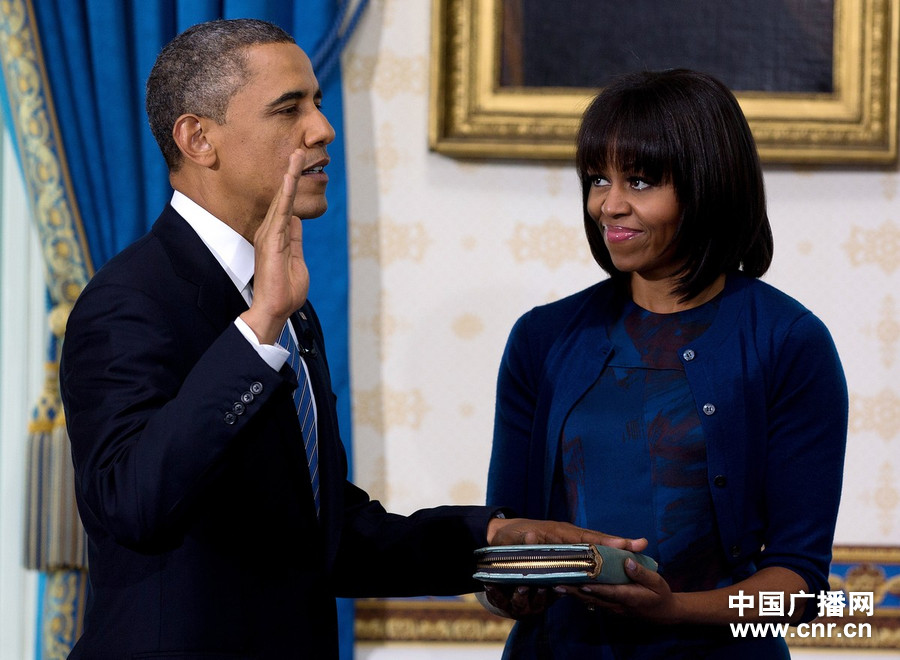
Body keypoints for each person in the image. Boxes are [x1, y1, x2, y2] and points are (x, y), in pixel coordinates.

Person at [58, 18, 633, 659]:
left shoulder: (284, 305)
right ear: (198, 139)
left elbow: (325, 538)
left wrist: (492, 539)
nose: (322, 129)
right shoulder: (131, 300)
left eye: (318, 102)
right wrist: (259, 329)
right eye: (289, 109)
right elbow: (134, 505)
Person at [484, 69, 848, 658]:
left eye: (640, 180)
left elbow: (800, 589)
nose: (609, 205)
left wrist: (672, 609)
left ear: (708, 185)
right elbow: (505, 537)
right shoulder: (542, 337)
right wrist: (509, 588)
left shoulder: (788, 341)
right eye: (598, 179)